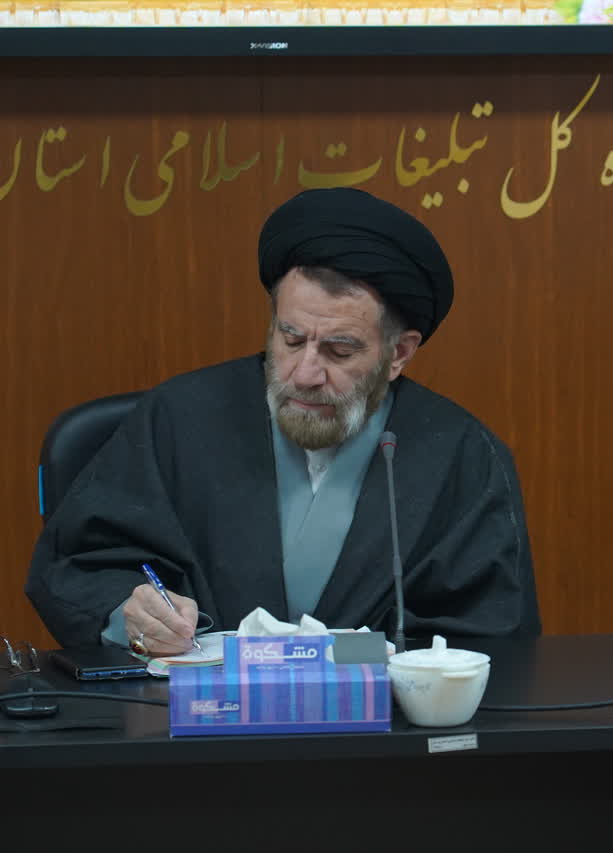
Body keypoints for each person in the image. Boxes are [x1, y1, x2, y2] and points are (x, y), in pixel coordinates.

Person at [28, 188, 538, 655]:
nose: (305, 373)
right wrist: (130, 612)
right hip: (184, 713)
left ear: (398, 354)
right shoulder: (180, 417)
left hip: (381, 721)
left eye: (339, 350)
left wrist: (318, 663)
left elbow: (483, 636)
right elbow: (84, 563)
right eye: (290, 339)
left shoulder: (461, 454)